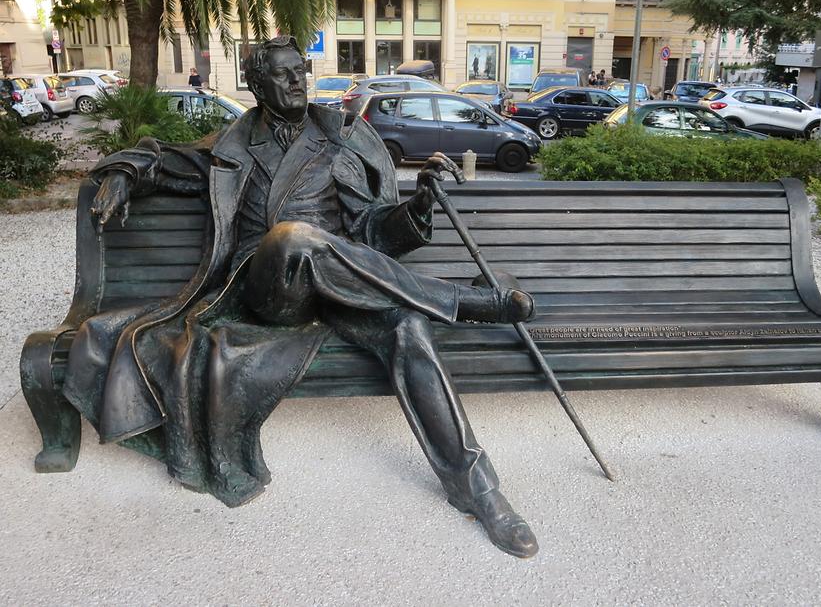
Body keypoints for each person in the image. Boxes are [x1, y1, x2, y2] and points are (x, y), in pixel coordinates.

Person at [65, 36, 539, 559]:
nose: (297, 81)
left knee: (408, 327)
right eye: (284, 74)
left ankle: (479, 490)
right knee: (291, 237)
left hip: (345, 286)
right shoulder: (232, 147)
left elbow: (373, 234)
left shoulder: (340, 140)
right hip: (266, 289)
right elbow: (159, 158)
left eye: (301, 71)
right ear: (256, 84)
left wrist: (419, 205)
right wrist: (121, 173)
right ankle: (460, 303)